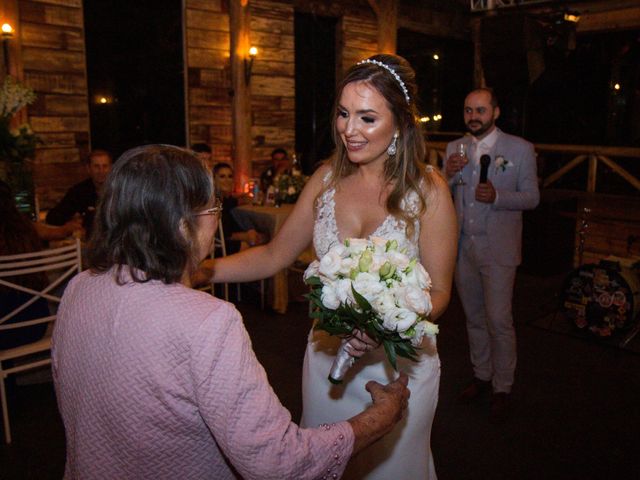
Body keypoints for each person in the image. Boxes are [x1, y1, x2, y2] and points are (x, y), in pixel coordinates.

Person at [51, 144, 410, 479]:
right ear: (181, 225)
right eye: (212, 208)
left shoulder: (79, 288)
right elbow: (276, 461)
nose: (216, 218)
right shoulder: (209, 321)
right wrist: (377, 420)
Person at [209, 54, 458, 479]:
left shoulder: (428, 190)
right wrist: (201, 270)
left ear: (399, 122)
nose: (349, 130)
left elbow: (440, 294)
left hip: (400, 367)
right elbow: (273, 255)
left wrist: (386, 325)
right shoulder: (325, 180)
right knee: (322, 466)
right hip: (328, 363)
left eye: (366, 118)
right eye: (343, 114)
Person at [443, 88, 540, 423]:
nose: (474, 116)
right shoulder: (454, 148)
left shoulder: (520, 149)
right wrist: (448, 174)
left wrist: (498, 196)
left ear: (495, 112)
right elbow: (444, 192)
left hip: (498, 247)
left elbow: (532, 197)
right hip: (463, 246)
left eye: (481, 110)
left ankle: (503, 386)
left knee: (498, 319)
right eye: (468, 110)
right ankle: (481, 375)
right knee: (472, 317)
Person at [45, 149, 112, 238]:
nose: (101, 171)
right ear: (88, 169)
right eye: (96, 166)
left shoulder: (119, 190)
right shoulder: (79, 191)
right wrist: (71, 221)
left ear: (111, 168)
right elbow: (52, 218)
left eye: (105, 166)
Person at [213, 162, 264, 254]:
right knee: (262, 240)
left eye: (230, 176)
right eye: (222, 176)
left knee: (263, 236)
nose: (227, 180)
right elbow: (222, 234)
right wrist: (246, 236)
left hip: (228, 239)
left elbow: (235, 201)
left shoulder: (225, 198)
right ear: (214, 179)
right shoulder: (214, 201)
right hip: (219, 246)